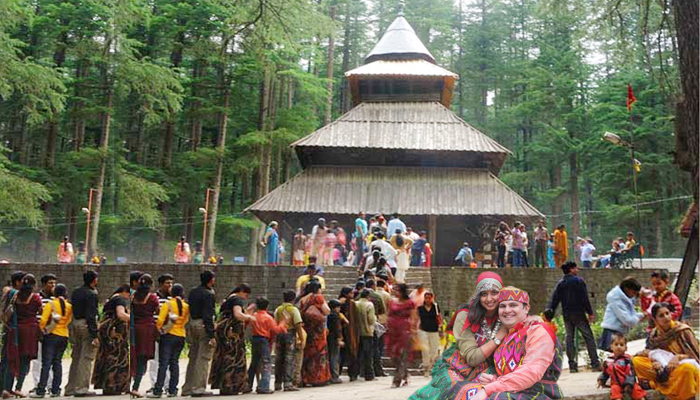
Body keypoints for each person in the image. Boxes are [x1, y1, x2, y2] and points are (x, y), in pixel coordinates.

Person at [455, 287, 563, 400]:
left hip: (539, 393)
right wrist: (494, 380)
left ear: (526, 308)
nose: (507, 310)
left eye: (513, 305)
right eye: (502, 306)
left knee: (497, 397)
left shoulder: (538, 331)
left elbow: (530, 372)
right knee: (464, 389)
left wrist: (489, 389)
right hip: (515, 391)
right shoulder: (506, 336)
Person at [410, 272, 506, 400]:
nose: (489, 299)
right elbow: (472, 358)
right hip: (459, 366)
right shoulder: (465, 316)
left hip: (492, 369)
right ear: (478, 296)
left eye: (494, 293)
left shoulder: (507, 314)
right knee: (458, 391)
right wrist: (500, 335)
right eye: (484, 294)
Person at [632, 302, 699, 400]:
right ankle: (665, 382)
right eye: (661, 316)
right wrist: (656, 363)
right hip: (663, 369)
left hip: (680, 367)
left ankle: (658, 385)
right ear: (655, 320)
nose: (666, 317)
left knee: (688, 368)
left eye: (667, 313)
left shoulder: (682, 330)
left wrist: (678, 357)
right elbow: (653, 353)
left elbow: (695, 356)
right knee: (637, 361)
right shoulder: (654, 335)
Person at [546, 261, 601, 373]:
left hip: (567, 314)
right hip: (579, 313)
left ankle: (572, 366)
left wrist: (550, 315)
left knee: (569, 338)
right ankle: (595, 363)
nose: (578, 270)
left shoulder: (561, 283)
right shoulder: (579, 281)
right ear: (571, 269)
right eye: (576, 268)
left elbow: (554, 300)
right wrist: (590, 312)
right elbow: (585, 298)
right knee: (588, 337)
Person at [208, 283, 254, 396]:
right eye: (246, 295)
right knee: (234, 358)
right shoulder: (237, 300)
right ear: (241, 291)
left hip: (223, 333)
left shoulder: (228, 299)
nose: (246, 298)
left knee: (223, 356)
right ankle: (232, 384)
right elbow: (237, 315)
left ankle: (223, 385)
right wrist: (250, 317)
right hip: (233, 335)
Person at [3, 275, 41, 397]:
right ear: (34, 285)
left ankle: (6, 389)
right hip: (30, 331)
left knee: (12, 358)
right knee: (25, 359)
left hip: (15, 330)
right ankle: (18, 388)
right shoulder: (35, 297)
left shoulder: (15, 296)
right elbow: (40, 311)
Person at [30, 284, 71, 399]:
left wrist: (43, 330)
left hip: (51, 336)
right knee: (57, 363)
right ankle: (55, 390)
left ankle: (41, 390)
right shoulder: (68, 306)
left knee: (46, 363)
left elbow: (43, 320)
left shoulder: (50, 304)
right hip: (64, 336)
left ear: (55, 293)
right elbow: (68, 320)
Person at [181, 270, 217, 397]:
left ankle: (188, 388)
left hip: (192, 324)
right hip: (203, 325)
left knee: (193, 357)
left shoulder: (193, 291)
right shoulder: (209, 294)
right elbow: (208, 315)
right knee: (203, 358)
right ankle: (199, 388)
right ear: (210, 280)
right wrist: (211, 334)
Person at [149, 284, 189, 398]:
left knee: (163, 364)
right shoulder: (186, 306)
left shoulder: (168, 304)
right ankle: (172, 390)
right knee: (174, 363)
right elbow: (185, 320)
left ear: (172, 293)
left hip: (168, 336)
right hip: (181, 335)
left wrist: (160, 330)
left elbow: (160, 320)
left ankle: (158, 390)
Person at [64, 270, 99, 397]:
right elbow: (91, 315)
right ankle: (82, 389)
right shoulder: (92, 294)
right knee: (86, 358)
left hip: (75, 324)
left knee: (76, 357)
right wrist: (94, 334)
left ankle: (71, 388)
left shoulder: (76, 291)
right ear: (94, 280)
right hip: (86, 325)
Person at [91, 285, 130, 396]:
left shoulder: (110, 299)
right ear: (124, 291)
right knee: (118, 358)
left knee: (107, 356)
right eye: (128, 294)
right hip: (116, 334)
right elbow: (121, 315)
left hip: (107, 333)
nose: (128, 297)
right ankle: (115, 385)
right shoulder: (119, 299)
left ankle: (107, 385)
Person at [248, 297, 287, 394]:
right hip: (263, 339)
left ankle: (247, 385)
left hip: (254, 338)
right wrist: (283, 322)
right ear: (267, 306)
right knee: (266, 363)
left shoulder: (254, 316)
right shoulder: (268, 317)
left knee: (254, 362)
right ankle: (263, 386)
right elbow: (276, 330)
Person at [131, 275, 160, 397]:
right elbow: (158, 311)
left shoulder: (133, 297)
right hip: (148, 329)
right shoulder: (152, 298)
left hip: (136, 329)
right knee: (143, 359)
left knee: (136, 356)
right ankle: (135, 387)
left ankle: (134, 385)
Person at [298, 280, 331, 387]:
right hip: (318, 331)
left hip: (308, 330)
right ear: (317, 289)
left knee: (308, 353)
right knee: (319, 353)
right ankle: (318, 378)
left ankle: (306, 377)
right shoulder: (318, 297)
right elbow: (327, 311)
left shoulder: (303, 299)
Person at [599, 277, 644, 352]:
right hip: (612, 331)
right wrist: (640, 316)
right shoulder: (616, 299)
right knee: (611, 355)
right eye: (633, 293)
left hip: (618, 330)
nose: (634, 295)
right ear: (627, 289)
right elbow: (627, 319)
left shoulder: (625, 299)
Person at [597, 333, 647, 400]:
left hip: (629, 383)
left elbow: (631, 373)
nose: (619, 347)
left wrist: (629, 384)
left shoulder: (627, 360)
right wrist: (601, 379)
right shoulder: (608, 361)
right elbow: (606, 372)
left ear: (626, 348)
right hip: (616, 383)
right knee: (614, 390)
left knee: (637, 390)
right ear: (611, 347)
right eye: (616, 344)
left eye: (621, 345)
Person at [386, 283, 418, 388]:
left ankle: (397, 379)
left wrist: (413, 330)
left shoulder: (410, 303)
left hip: (404, 330)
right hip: (392, 331)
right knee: (393, 355)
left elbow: (413, 317)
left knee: (401, 354)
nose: (396, 292)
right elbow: (388, 314)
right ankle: (404, 374)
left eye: (398, 290)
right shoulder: (391, 301)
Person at [30, 275, 56, 392]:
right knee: (37, 360)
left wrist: (49, 329)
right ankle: (37, 384)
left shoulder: (55, 299)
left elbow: (57, 317)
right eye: (50, 283)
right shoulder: (36, 298)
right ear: (44, 284)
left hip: (51, 332)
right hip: (38, 332)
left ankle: (50, 385)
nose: (53, 285)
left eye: (54, 283)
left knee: (49, 360)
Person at [274, 290, 303, 392]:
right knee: (289, 359)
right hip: (290, 335)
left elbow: (275, 322)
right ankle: (288, 383)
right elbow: (298, 325)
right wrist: (301, 338)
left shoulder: (278, 309)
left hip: (279, 334)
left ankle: (277, 383)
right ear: (293, 299)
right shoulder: (293, 310)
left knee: (279, 359)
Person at [148, 275, 173, 391]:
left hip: (169, 333)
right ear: (161, 284)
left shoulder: (172, 299)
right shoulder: (153, 298)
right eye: (167, 283)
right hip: (155, 332)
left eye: (171, 283)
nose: (170, 285)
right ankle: (154, 385)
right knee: (154, 360)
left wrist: (166, 330)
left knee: (166, 360)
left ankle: (167, 385)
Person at [365, 280, 387, 377]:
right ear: (373, 286)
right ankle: (377, 370)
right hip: (373, 325)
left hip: (360, 327)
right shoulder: (377, 296)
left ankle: (363, 371)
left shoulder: (358, 297)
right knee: (376, 348)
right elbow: (382, 310)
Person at [417, 291, 441, 377]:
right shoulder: (420, 308)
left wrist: (440, 327)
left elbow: (439, 317)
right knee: (425, 350)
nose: (427, 300)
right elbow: (418, 319)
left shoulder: (436, 307)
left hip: (434, 330)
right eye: (426, 298)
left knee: (434, 351)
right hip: (423, 330)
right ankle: (426, 368)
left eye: (429, 298)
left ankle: (432, 367)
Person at [355, 289, 376, 382]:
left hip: (356, 332)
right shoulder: (369, 305)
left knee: (357, 354)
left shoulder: (355, 303)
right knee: (368, 354)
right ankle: (369, 375)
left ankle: (354, 373)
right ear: (368, 296)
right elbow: (371, 320)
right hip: (367, 332)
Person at [338, 287, 359, 382]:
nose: (352, 294)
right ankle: (352, 374)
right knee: (350, 353)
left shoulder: (348, 303)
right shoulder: (349, 303)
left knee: (342, 354)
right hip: (349, 332)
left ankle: (338, 373)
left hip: (345, 331)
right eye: (351, 293)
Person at [327, 299, 344, 384]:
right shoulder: (335, 316)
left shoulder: (328, 315)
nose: (339, 309)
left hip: (329, 338)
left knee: (331, 356)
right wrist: (339, 339)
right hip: (334, 338)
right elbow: (337, 329)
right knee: (335, 357)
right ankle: (335, 376)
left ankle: (330, 375)